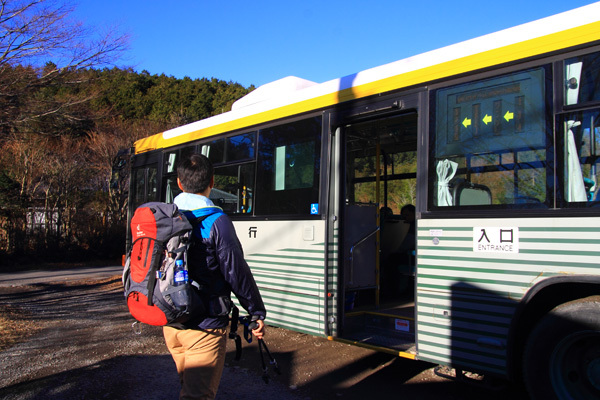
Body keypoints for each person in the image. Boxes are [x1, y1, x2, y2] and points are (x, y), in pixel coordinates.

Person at [163, 153, 266, 400]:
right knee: (197, 396)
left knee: (188, 388)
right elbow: (236, 272)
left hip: (171, 324)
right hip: (204, 327)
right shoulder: (217, 222)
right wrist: (256, 311)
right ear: (212, 181)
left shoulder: (166, 217)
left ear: (179, 183)